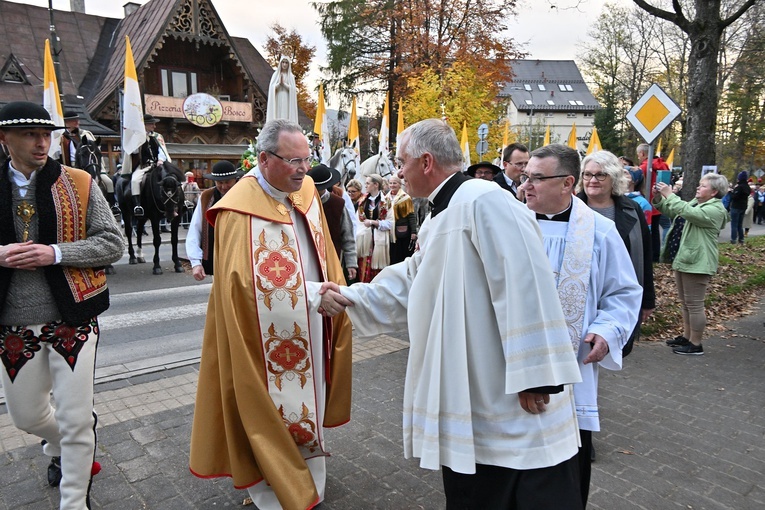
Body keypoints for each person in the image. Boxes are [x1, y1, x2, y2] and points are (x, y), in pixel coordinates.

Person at [321, 119, 584, 510]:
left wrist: (537, 374)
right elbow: (415, 281)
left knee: (518, 482)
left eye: (402, 161)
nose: (398, 171)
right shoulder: (443, 212)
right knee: (476, 483)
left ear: (426, 162)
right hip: (474, 382)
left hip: (507, 385)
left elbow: (524, 280)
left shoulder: (483, 199)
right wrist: (350, 296)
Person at [189, 119, 352, 510]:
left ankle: (312, 486)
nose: (303, 168)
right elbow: (240, 289)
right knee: (268, 410)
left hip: (313, 327)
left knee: (309, 403)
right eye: (293, 161)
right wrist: (313, 294)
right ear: (263, 160)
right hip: (260, 339)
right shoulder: (235, 210)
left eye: (306, 159)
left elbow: (326, 252)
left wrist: (338, 294)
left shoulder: (308, 190)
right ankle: (270, 491)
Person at [0, 101, 124, 509]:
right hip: (12, 325)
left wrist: (53, 252)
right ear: (5, 139)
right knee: (26, 418)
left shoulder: (80, 181)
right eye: (30, 134)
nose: (42, 143)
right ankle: (67, 442)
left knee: (73, 420)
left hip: (73, 319)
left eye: (46, 134)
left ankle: (74, 501)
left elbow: (112, 243)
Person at [519, 143, 642, 507]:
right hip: (512, 368)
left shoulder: (600, 232)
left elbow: (623, 293)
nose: (526, 185)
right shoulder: (510, 225)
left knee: (564, 476)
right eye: (525, 176)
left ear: (567, 183)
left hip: (573, 368)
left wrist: (606, 330)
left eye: (537, 178)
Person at [576, 150, 655, 356]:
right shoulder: (572, 210)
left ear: (614, 178)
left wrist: (647, 300)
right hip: (581, 295)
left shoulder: (632, 210)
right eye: (587, 174)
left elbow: (645, 255)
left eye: (600, 175)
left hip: (618, 295)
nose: (592, 180)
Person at [655, 173, 729, 356]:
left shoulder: (716, 209)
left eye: (703, 186)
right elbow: (675, 211)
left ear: (714, 192)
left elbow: (688, 213)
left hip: (699, 262)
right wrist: (659, 198)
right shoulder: (698, 203)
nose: (698, 188)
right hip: (687, 258)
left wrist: (670, 194)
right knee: (686, 303)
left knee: (695, 304)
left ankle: (696, 344)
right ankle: (687, 337)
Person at [185, 161, 243, 281]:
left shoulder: (246, 195)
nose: (223, 187)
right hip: (216, 259)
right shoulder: (206, 197)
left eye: (227, 182)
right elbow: (195, 229)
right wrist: (196, 262)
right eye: (219, 183)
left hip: (243, 258)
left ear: (235, 180)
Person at [307, 164, 358, 281]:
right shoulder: (305, 203)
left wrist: (351, 263)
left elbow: (348, 236)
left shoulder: (338, 204)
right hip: (310, 257)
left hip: (333, 257)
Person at [119, 114, 171, 217]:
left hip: (158, 165)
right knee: (134, 180)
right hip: (143, 166)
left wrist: (160, 160)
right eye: (152, 124)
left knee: (173, 176)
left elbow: (162, 150)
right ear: (144, 125)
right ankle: (138, 206)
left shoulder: (157, 136)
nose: (154, 126)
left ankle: (181, 202)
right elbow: (132, 152)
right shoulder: (137, 137)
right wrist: (136, 141)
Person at [60, 111, 115, 201]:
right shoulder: (61, 137)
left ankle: (113, 205)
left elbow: (96, 152)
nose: (77, 122)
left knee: (108, 182)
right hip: (68, 167)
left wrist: (100, 169)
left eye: (77, 120)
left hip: (88, 165)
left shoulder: (85, 134)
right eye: (74, 120)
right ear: (67, 122)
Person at [355, 173, 392, 283]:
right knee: (364, 266)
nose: (365, 185)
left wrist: (374, 223)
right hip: (365, 240)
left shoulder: (386, 201)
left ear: (376, 185)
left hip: (379, 239)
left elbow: (390, 223)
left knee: (378, 268)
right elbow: (358, 220)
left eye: (367, 183)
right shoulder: (362, 201)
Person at [637, 142, 669, 261]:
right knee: (655, 230)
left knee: (647, 231)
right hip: (657, 203)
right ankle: (656, 256)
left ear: (642, 153)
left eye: (638, 155)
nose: (638, 157)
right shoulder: (662, 165)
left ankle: (648, 256)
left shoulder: (643, 168)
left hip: (646, 204)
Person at [387, 174, 418, 264]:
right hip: (390, 231)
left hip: (402, 232)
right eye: (391, 183)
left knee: (403, 254)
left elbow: (411, 215)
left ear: (400, 185)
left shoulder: (406, 198)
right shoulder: (386, 198)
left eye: (395, 183)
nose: (392, 185)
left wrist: (413, 232)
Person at [266, 55, 298, 123]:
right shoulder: (276, 75)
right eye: (283, 62)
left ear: (288, 64)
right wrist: (278, 85)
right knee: (278, 114)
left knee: (285, 115)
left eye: (286, 63)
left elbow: (293, 90)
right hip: (278, 97)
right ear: (280, 63)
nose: (284, 64)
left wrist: (284, 85)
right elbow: (272, 88)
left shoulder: (291, 76)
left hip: (287, 98)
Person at [729, 171, 751, 244]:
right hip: (743, 207)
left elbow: (734, 197)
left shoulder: (739, 187)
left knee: (734, 224)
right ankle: (741, 238)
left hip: (736, 206)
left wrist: (730, 192)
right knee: (740, 224)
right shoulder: (747, 187)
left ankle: (733, 239)